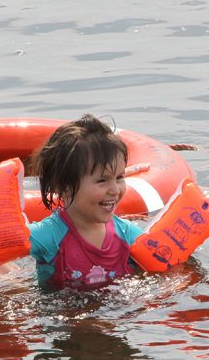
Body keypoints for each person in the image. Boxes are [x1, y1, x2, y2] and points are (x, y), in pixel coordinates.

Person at [28, 114, 146, 290]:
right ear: (64, 186)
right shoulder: (48, 236)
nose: (115, 190)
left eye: (119, 177)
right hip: (62, 314)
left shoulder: (129, 236)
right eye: (102, 180)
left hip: (117, 314)